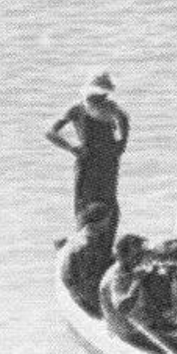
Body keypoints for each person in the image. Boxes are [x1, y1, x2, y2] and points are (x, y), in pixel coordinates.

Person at [46, 73, 130, 245]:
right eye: (99, 94)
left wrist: (122, 144)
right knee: (85, 207)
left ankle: (106, 246)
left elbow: (124, 120)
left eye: (105, 94)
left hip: (108, 163)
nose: (102, 97)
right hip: (87, 163)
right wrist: (71, 148)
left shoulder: (111, 107)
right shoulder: (77, 110)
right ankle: (83, 245)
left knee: (109, 206)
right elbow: (50, 132)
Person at [59, 202, 117, 317]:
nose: (109, 222)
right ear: (100, 221)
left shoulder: (83, 235)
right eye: (107, 219)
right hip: (88, 296)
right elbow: (87, 281)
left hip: (82, 286)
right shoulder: (88, 244)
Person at [98, 234, 154, 348]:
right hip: (127, 332)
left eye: (142, 254)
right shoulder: (116, 278)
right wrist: (137, 281)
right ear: (123, 256)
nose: (141, 258)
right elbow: (122, 307)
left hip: (136, 323)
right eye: (137, 255)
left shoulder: (128, 267)